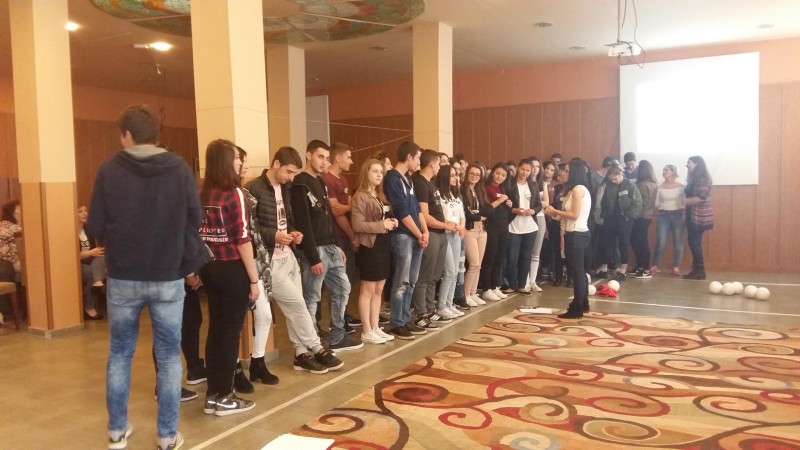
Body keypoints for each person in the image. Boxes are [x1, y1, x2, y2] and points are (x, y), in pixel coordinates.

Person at [88, 104, 199, 450]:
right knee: (168, 356)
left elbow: (94, 223)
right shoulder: (179, 168)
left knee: (120, 353)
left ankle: (117, 432)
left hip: (123, 276)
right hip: (167, 275)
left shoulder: (109, 169)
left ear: (126, 134)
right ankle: (166, 436)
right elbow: (194, 219)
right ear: (155, 134)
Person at [245, 146, 343, 375]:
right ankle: (316, 347)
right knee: (297, 305)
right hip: (269, 259)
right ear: (276, 164)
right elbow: (252, 228)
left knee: (295, 307)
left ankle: (301, 353)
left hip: (288, 254)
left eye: (293, 173)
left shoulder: (286, 188)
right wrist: (275, 235)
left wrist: (292, 232)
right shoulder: (254, 189)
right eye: (288, 171)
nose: (290, 177)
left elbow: (286, 219)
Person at [197, 139, 258, 418]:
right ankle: (223, 396)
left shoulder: (202, 192)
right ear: (225, 161)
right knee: (230, 334)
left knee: (216, 330)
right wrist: (254, 280)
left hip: (209, 268)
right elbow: (243, 239)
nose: (239, 162)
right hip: (232, 269)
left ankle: (213, 394)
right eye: (235, 157)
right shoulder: (235, 193)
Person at [291, 140, 362, 352]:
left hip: (330, 246)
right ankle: (310, 342)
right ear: (308, 155)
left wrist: (336, 244)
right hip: (315, 249)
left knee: (343, 287)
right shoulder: (300, 184)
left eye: (327, 158)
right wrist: (313, 257)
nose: (324, 162)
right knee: (312, 297)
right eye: (320, 157)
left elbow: (327, 218)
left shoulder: (321, 182)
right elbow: (304, 222)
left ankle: (338, 336)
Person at [233, 146, 279, 386]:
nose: (245, 166)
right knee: (233, 320)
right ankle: (234, 368)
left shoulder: (244, 192)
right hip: (235, 262)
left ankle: (258, 361)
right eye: (241, 160)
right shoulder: (228, 195)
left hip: (256, 259)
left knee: (265, 314)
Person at [350, 159, 398, 344]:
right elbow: (357, 225)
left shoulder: (380, 195)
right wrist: (381, 225)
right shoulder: (360, 196)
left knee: (379, 289)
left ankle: (375, 326)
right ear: (366, 173)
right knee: (368, 290)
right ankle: (366, 330)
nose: (379, 175)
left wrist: (392, 221)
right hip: (369, 246)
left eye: (381, 172)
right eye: (375, 171)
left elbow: (386, 215)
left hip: (383, 243)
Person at [384, 141, 427, 340]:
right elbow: (401, 212)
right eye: (417, 158)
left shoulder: (408, 179)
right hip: (403, 235)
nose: (419, 162)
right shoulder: (393, 178)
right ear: (409, 157)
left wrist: (424, 231)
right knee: (401, 281)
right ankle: (397, 322)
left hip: (416, 235)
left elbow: (416, 209)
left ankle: (406, 317)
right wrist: (419, 234)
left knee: (411, 281)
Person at [545, 160, 592, 319]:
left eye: (566, 171)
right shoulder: (573, 190)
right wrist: (553, 213)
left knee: (577, 271)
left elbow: (574, 214)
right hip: (574, 232)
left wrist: (555, 210)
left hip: (577, 234)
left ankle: (577, 307)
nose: (562, 173)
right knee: (578, 270)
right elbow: (565, 216)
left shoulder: (578, 189)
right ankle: (583, 302)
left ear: (575, 173)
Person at [411, 150, 452, 330]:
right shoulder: (419, 183)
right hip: (432, 233)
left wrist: (447, 224)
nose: (439, 167)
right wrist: (444, 225)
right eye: (438, 164)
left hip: (440, 233)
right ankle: (420, 312)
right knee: (424, 276)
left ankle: (429, 309)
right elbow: (424, 215)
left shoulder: (431, 184)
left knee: (435, 276)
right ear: (432, 163)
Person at [594, 165, 642, 281]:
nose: (613, 181)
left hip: (624, 219)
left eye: (615, 178)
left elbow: (638, 203)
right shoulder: (609, 186)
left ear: (620, 174)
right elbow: (604, 201)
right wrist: (604, 214)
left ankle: (622, 271)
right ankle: (604, 270)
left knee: (623, 244)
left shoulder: (630, 185)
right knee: (605, 244)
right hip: (610, 219)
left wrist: (629, 216)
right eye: (611, 178)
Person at [505, 159, 541, 294]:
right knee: (512, 256)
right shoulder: (509, 184)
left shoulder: (533, 185)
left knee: (526, 256)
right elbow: (505, 204)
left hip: (530, 225)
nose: (524, 173)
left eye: (528, 170)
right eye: (522, 169)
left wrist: (533, 211)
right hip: (514, 224)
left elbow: (538, 204)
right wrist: (514, 210)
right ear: (517, 168)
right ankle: (512, 284)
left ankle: (521, 285)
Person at [436, 164, 466, 319]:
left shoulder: (456, 195)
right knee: (449, 271)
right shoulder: (438, 195)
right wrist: (454, 225)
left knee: (455, 272)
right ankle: (441, 306)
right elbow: (439, 217)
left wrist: (461, 226)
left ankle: (449, 303)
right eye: (452, 175)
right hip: (445, 234)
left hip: (456, 235)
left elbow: (462, 215)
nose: (456, 178)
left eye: (457, 175)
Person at [479, 163, 513, 301]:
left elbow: (505, 209)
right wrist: (500, 200)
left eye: (503, 175)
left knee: (500, 257)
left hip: (503, 226)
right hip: (491, 226)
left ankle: (495, 286)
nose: (500, 177)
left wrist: (509, 204)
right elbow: (487, 209)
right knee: (490, 258)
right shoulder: (485, 188)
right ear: (492, 172)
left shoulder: (503, 189)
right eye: (498, 173)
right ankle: (486, 288)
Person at [461, 164, 489, 307]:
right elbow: (466, 213)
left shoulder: (480, 190)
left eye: (477, 175)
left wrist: (478, 215)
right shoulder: (462, 190)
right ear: (467, 174)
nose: (474, 176)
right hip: (469, 231)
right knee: (473, 264)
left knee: (479, 265)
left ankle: (473, 293)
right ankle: (466, 295)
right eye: (472, 173)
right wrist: (478, 216)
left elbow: (487, 210)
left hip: (482, 230)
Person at [651, 165, 685, 276]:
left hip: (678, 215)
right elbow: (656, 203)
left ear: (673, 172)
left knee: (678, 242)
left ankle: (676, 266)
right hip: (663, 215)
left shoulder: (682, 187)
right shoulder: (659, 187)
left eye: (666, 170)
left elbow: (684, 202)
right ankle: (656, 265)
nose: (663, 172)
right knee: (661, 241)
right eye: (663, 170)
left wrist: (683, 213)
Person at [683, 156, 714, 280]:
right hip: (693, 215)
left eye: (689, 162)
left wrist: (682, 202)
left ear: (696, 164)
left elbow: (701, 198)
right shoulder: (695, 178)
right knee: (693, 242)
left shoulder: (701, 179)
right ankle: (697, 269)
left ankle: (700, 271)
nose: (686, 165)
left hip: (699, 216)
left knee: (695, 243)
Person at [630, 160, 658, 278]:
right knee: (640, 241)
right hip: (648, 216)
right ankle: (640, 266)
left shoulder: (642, 184)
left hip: (641, 216)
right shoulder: (653, 183)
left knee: (640, 242)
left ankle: (644, 268)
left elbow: (642, 202)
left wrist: (633, 212)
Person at [77, 205, 106, 320]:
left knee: (109, 264)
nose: (85, 213)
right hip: (76, 263)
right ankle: (88, 307)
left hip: (90, 260)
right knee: (92, 274)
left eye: (86, 210)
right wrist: (91, 253)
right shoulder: (69, 231)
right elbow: (71, 256)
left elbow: (93, 249)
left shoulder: (88, 229)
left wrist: (97, 252)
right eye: (80, 211)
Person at [526, 157, 546, 292]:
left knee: (536, 251)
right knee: (526, 250)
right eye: (532, 166)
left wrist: (536, 205)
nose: (535, 169)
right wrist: (537, 204)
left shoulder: (542, 184)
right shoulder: (523, 183)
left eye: (538, 166)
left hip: (539, 217)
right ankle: (525, 280)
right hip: (527, 216)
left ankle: (533, 280)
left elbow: (546, 203)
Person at [0, 200, 22, 273]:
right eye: (20, 209)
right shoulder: (8, 226)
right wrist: (15, 261)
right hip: (6, 265)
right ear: (12, 212)